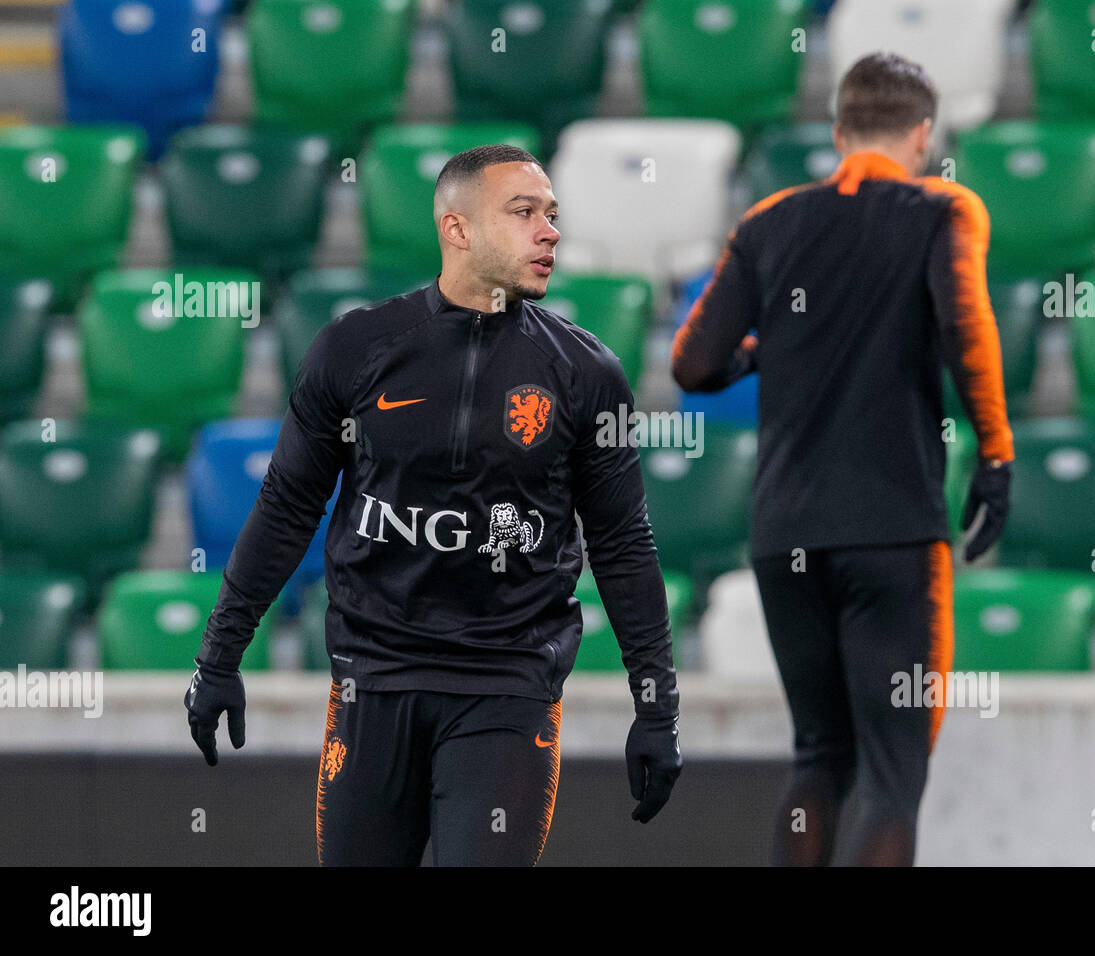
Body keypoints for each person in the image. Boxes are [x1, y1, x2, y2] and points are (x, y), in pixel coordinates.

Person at [184, 144, 682, 866]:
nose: (550, 231)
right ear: (457, 228)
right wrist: (220, 655)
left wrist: (657, 705)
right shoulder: (355, 349)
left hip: (507, 686)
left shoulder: (586, 372)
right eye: (524, 213)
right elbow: (288, 507)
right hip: (373, 680)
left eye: (552, 215)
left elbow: (623, 544)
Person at [672, 52, 1014, 866]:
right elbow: (968, 329)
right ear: (922, 133)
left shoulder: (768, 222)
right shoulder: (944, 210)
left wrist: (761, 352)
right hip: (892, 526)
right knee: (894, 773)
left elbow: (692, 364)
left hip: (784, 530)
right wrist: (996, 455)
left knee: (818, 755)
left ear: (838, 133)